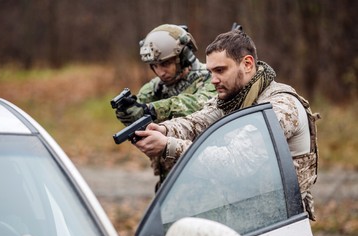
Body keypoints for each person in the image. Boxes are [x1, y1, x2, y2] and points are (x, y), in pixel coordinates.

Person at [133, 29, 320, 220]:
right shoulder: (233, 98)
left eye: (220, 70)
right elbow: (197, 122)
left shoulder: (281, 107)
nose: (213, 80)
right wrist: (164, 129)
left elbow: (235, 163)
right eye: (210, 72)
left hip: (282, 222)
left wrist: (167, 146)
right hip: (245, 218)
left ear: (247, 64)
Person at [116, 24, 217, 186]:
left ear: (183, 57)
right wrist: (129, 114)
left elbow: (199, 104)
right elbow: (140, 111)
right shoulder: (157, 87)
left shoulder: (211, 77)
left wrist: (153, 110)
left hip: (207, 176)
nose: (160, 72)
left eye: (165, 64)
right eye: (154, 66)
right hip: (170, 181)